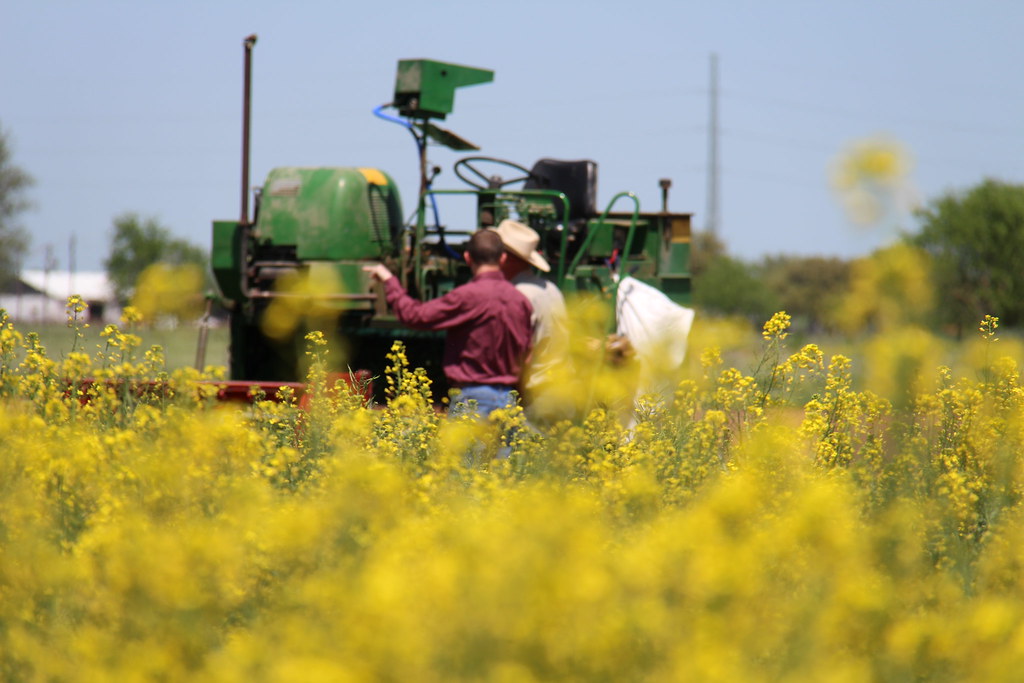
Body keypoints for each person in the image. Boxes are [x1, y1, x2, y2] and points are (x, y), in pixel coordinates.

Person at [363, 229, 533, 418]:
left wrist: (389, 280)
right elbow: (527, 354)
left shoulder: (467, 296)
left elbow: (414, 316)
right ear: (502, 258)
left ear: (467, 258)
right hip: (510, 401)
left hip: (472, 399)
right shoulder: (521, 301)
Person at [490, 219, 572, 424]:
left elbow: (518, 355)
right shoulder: (550, 288)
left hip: (534, 398)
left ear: (504, 257)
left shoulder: (516, 296)